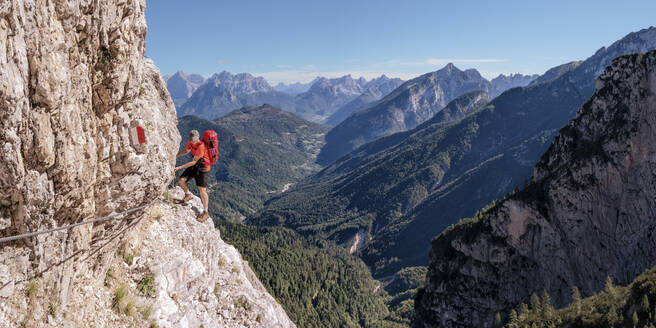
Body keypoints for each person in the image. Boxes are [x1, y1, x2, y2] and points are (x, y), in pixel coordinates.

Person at [174, 130, 211, 222]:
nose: (192, 141)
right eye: (191, 140)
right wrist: (175, 155)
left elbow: (194, 161)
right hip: (195, 166)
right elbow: (186, 151)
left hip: (203, 168)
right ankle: (188, 194)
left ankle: (205, 212)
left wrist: (180, 167)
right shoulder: (190, 142)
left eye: (194, 140)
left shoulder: (201, 146)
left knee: (202, 190)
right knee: (181, 180)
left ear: (198, 138)